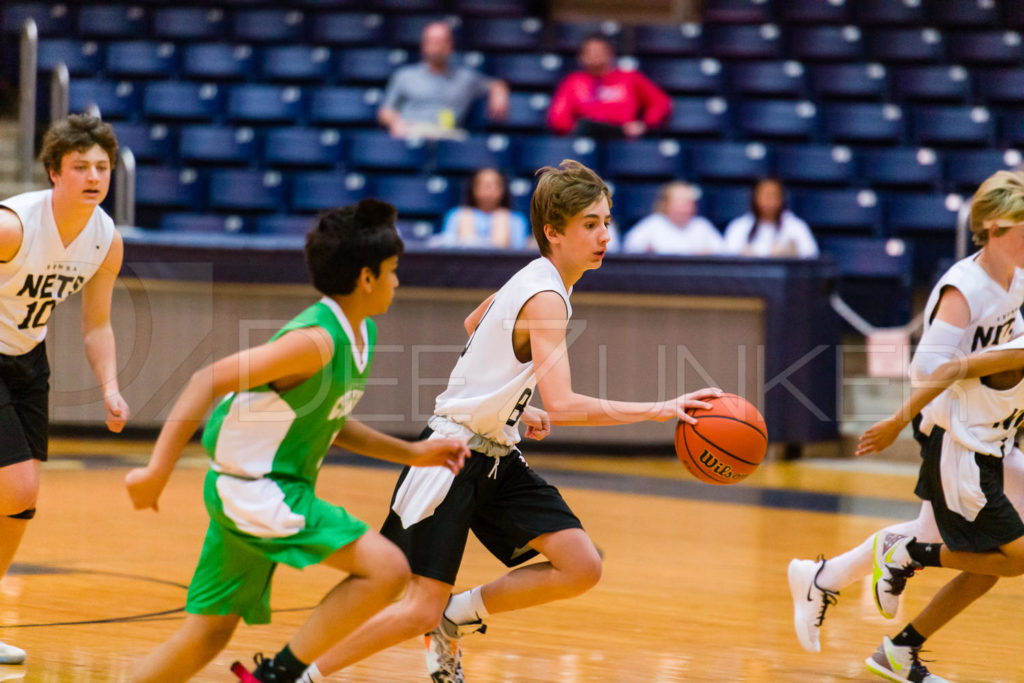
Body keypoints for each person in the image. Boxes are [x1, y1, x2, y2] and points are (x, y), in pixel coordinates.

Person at [290, 160, 722, 683]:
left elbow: (477, 323)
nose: (604, 234)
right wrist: (658, 408)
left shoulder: (538, 276)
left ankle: (457, 616)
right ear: (553, 232)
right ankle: (304, 675)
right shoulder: (545, 296)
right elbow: (563, 404)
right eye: (590, 223)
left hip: (494, 451)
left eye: (606, 221)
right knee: (415, 606)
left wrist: (515, 402)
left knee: (580, 564)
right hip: (449, 457)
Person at [124, 199, 470, 683]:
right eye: (392, 271)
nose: (397, 281)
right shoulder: (314, 341)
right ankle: (281, 675)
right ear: (366, 278)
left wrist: (412, 452)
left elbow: (331, 422)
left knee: (205, 634)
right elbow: (206, 380)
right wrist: (156, 471)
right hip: (256, 488)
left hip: (262, 487)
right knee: (389, 569)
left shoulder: (359, 332)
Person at [786, 171, 1024, 673]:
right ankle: (901, 558)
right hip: (958, 435)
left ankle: (849, 601)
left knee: (979, 558)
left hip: (991, 435)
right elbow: (929, 368)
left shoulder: (1016, 278)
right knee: (1006, 554)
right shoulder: (966, 289)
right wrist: (905, 419)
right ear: (997, 228)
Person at [0, 114, 130, 665]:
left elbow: (96, 323)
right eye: (81, 166)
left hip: (28, 357)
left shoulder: (105, 239)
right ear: (55, 172)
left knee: (19, 504)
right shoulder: (14, 227)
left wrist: (111, 388)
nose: (94, 176)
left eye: (102, 167)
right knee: (19, 484)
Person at [855, 333, 1024, 683]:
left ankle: (898, 652)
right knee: (1019, 558)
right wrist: (898, 422)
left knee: (985, 570)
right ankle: (907, 552)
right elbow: (951, 368)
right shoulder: (1019, 353)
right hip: (961, 457)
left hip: (987, 457)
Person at [379, 21, 509, 140]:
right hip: (413, 132)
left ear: (450, 46)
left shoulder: (466, 78)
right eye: (433, 41)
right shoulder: (404, 76)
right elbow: (385, 112)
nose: (437, 47)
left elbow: (494, 84)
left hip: (449, 136)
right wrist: (396, 122)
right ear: (424, 46)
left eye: (442, 41)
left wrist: (499, 91)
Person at [547, 34, 671, 139]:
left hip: (621, 135)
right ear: (581, 57)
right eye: (590, 52)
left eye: (599, 51)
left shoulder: (630, 77)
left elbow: (661, 103)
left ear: (610, 53)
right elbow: (558, 116)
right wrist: (571, 128)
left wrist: (644, 124)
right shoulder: (573, 81)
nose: (595, 55)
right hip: (587, 134)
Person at [723, 178, 818, 258]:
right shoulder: (739, 227)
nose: (769, 201)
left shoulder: (796, 227)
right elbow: (727, 259)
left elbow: (811, 256)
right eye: (765, 196)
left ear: (782, 198)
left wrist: (791, 253)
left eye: (774, 196)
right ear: (755, 197)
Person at [437, 168, 530, 250]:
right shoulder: (456, 216)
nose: (488, 190)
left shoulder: (516, 220)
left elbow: (519, 254)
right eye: (483, 185)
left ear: (503, 189)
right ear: (473, 189)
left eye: (494, 185)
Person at [622, 181, 724, 255]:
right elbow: (630, 249)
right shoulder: (652, 225)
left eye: (689, 203)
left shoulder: (701, 226)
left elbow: (722, 253)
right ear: (666, 204)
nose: (685, 208)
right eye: (680, 203)